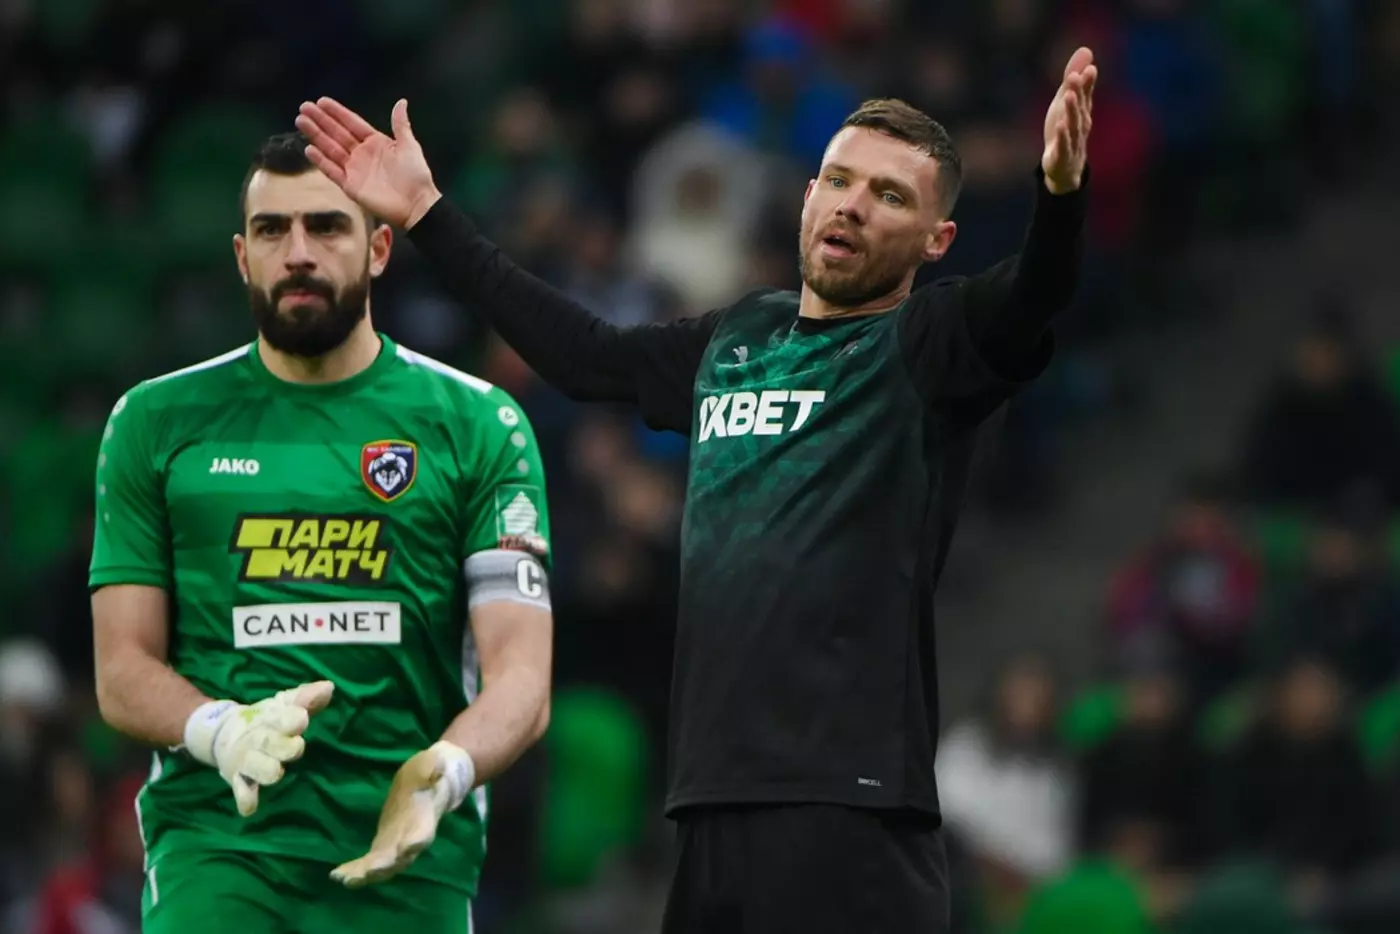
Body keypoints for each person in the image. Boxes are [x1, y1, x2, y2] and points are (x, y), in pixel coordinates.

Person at [298, 45, 1096, 933]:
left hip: (847, 806)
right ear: (808, 196)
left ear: (935, 240)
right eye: (839, 181)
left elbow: (1034, 293)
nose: (853, 205)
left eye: (890, 196)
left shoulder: (926, 345)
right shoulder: (739, 337)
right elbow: (584, 356)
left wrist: (1060, 196)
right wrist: (427, 213)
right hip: (712, 797)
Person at [88, 132, 555, 934]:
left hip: (409, 853)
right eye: (272, 230)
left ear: (379, 249)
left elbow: (521, 675)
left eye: (326, 227)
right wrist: (220, 731)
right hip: (219, 849)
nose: (297, 252)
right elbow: (122, 670)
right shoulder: (154, 422)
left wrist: (442, 773)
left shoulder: (478, 424)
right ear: (243, 257)